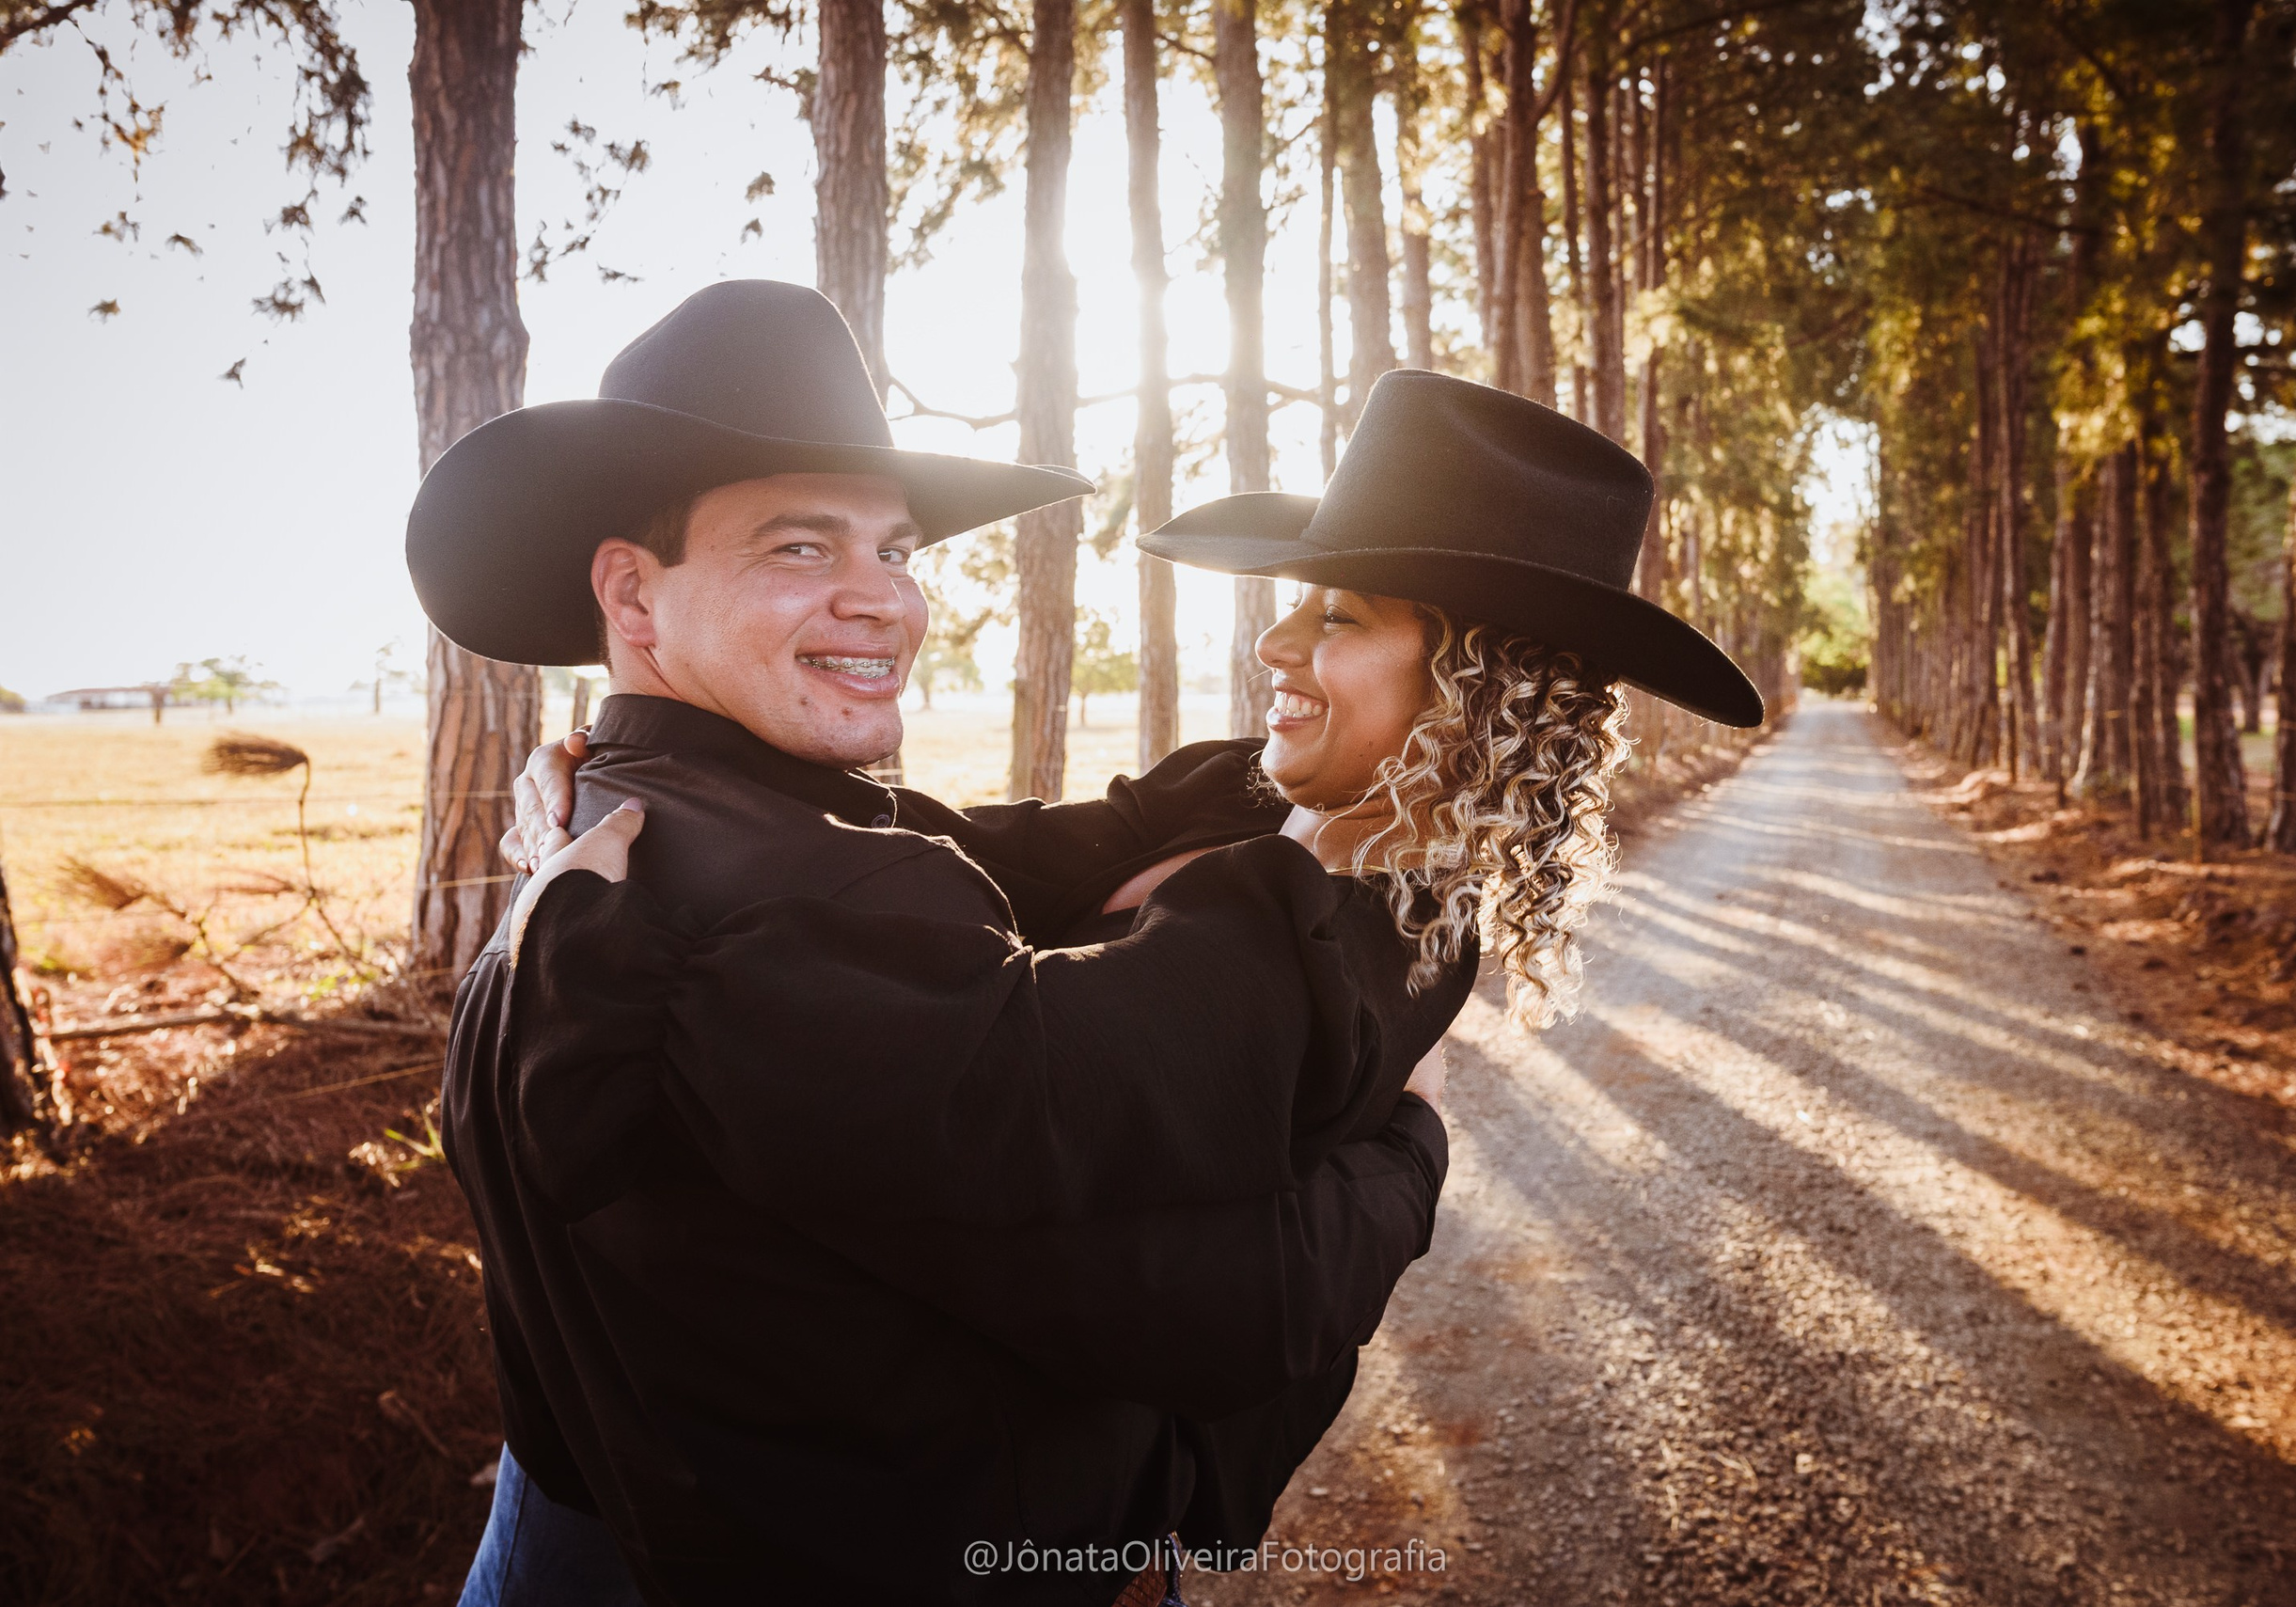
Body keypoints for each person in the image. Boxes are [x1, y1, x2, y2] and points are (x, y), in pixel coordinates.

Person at [503, 366, 1764, 1598]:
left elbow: (1222, 1293)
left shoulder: (1375, 947)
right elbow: (968, 853)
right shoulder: (1235, 796)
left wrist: (1412, 1150)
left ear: (1474, 691)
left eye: (1338, 616)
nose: (1273, 639)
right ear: (634, 595)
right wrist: (632, 759)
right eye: (799, 547)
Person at [416, 280, 1460, 1607]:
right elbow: (1233, 1297)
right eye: (801, 548)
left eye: (895, 550)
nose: (885, 603)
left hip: (583, 1515)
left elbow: (1013, 843)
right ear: (632, 592)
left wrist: (1323, 760)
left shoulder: (621, 824)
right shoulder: (792, 908)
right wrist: (1412, 1132)